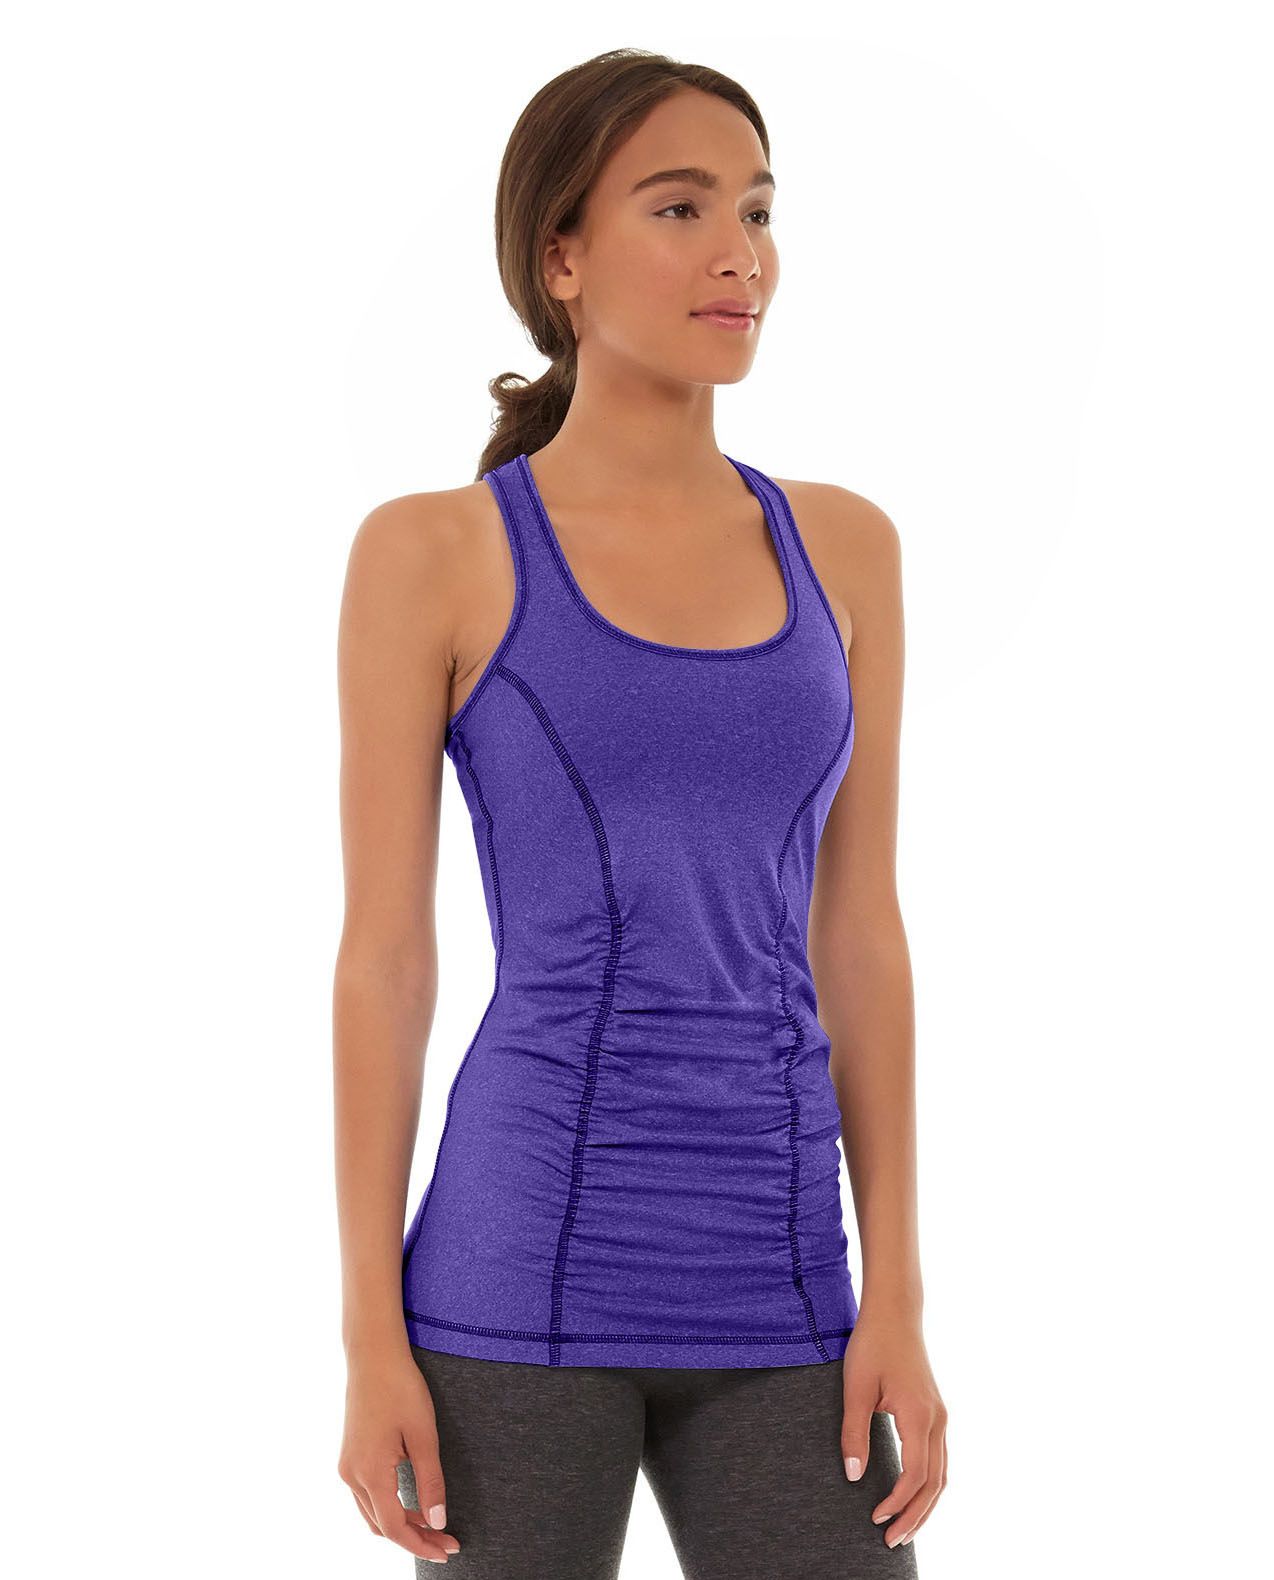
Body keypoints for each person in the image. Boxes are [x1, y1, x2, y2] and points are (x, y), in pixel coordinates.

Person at [333, 47, 947, 1579]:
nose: (738, 253)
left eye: (755, 209)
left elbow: (858, 937)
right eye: (678, 208)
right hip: (515, 1278)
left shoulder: (845, 549)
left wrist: (897, 1293)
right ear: (560, 257)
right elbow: (385, 963)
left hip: (785, 1279)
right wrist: (367, 1338)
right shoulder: (435, 554)